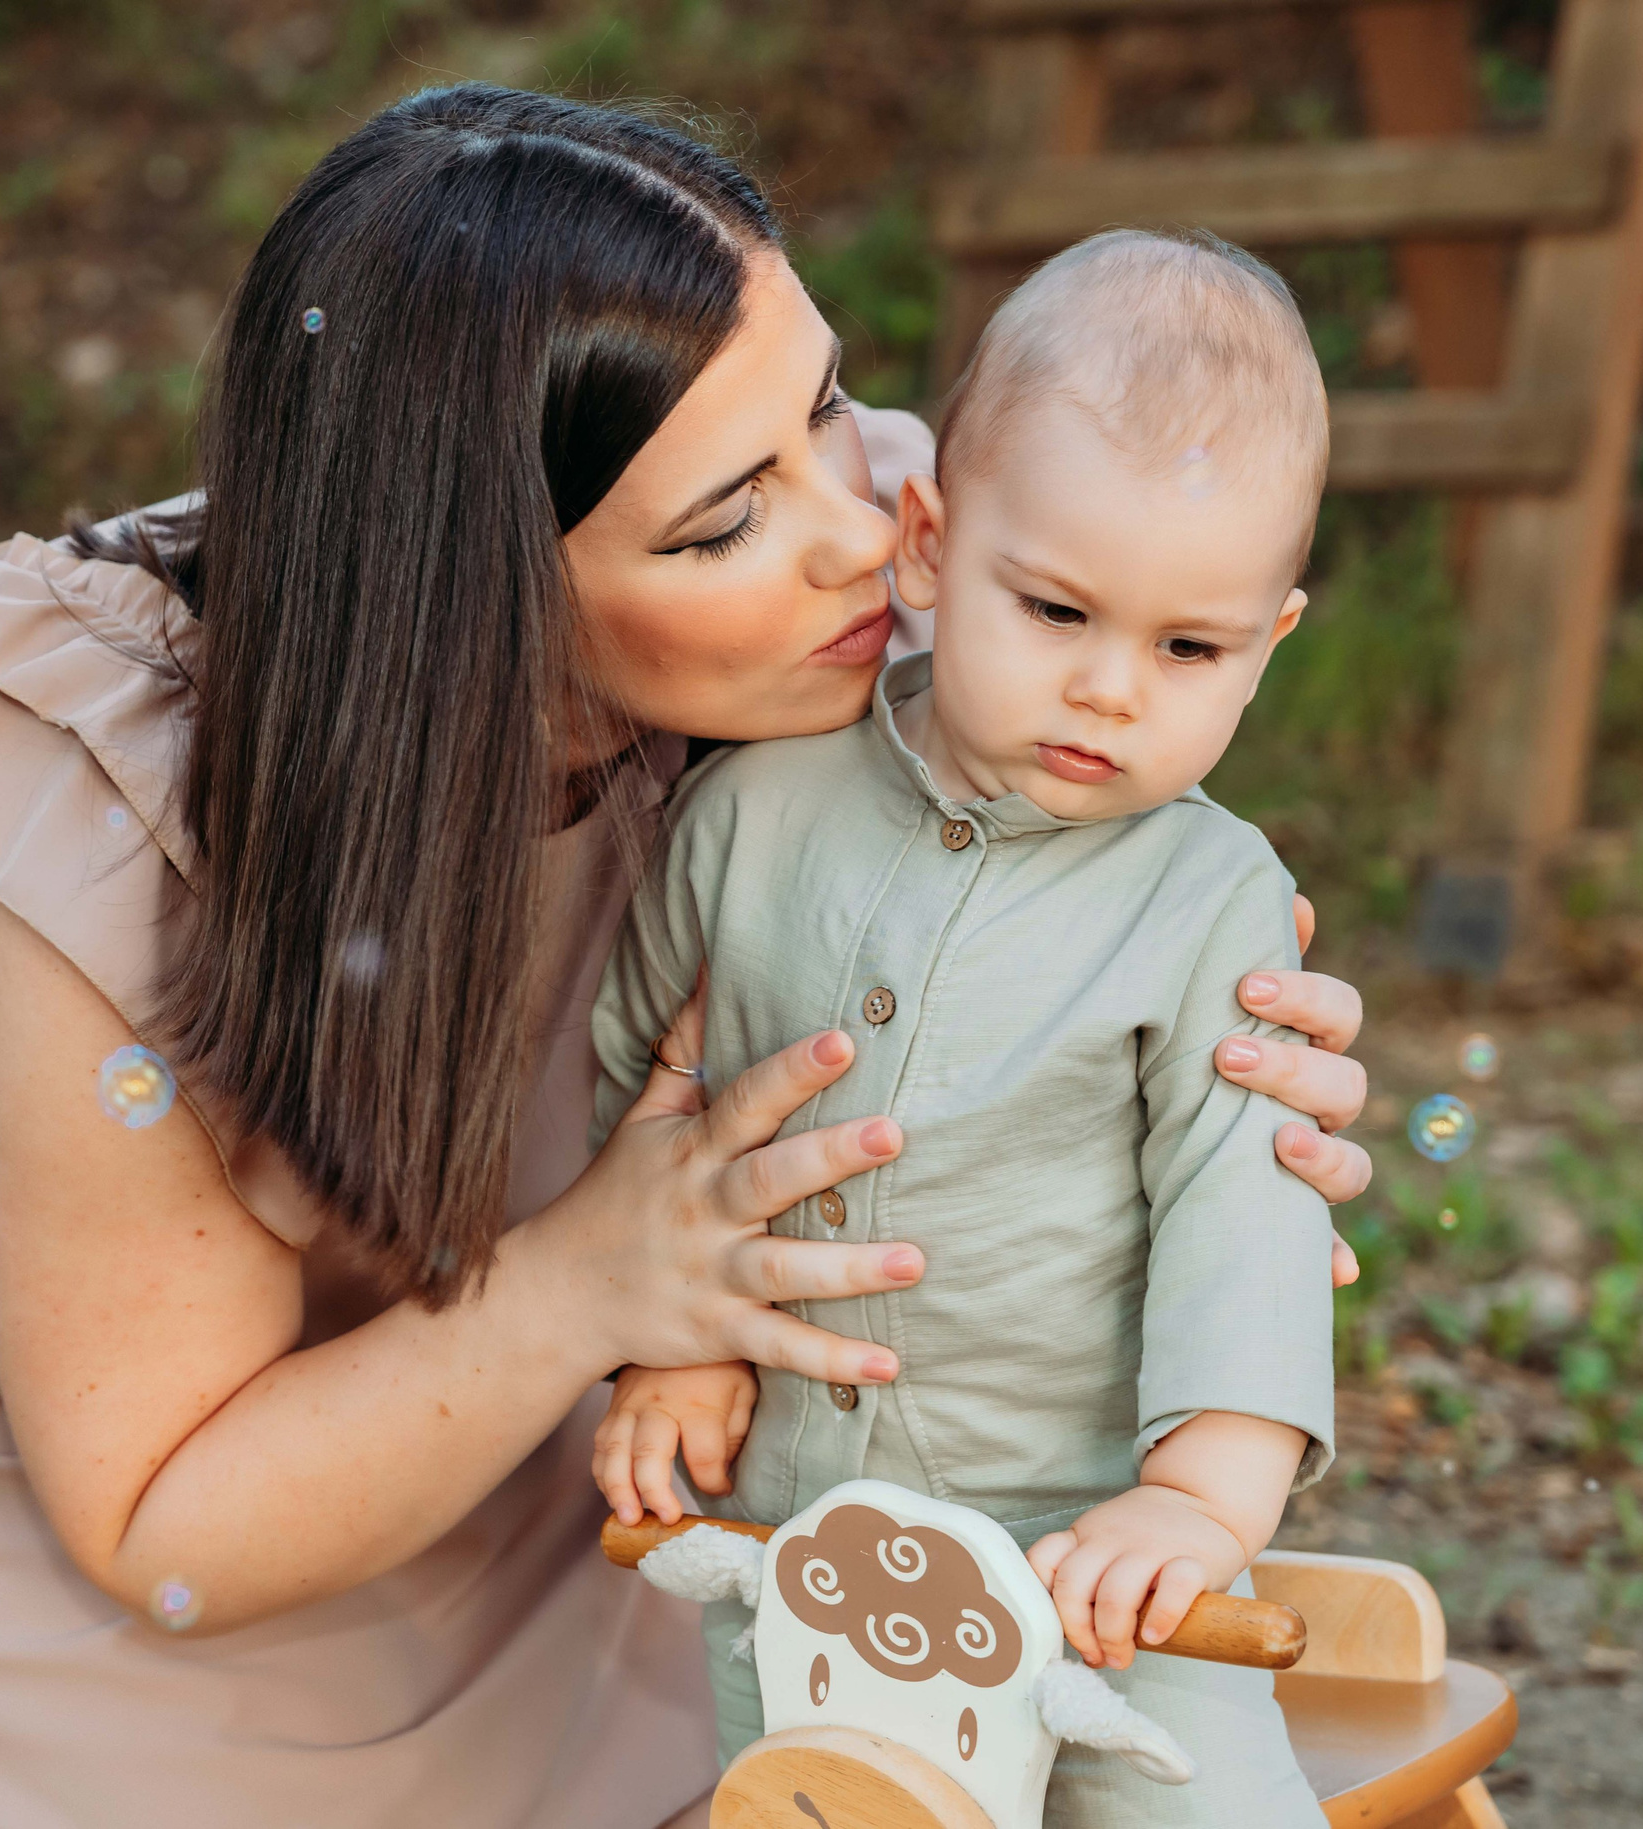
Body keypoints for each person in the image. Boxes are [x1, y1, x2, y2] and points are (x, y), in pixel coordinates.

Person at [0, 88, 1373, 1829]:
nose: (863, 539)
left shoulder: (906, 521)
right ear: (477, 587)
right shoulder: (104, 799)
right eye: (727, 519)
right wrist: (585, 1289)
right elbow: (164, 1509)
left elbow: (1108, 748)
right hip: (74, 1360)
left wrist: (1228, 1063)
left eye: (823, 401)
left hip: (513, 1245)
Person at [590, 230, 1335, 1826]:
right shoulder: (750, 811)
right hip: (810, 1551)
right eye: (1057, 609)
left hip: (1099, 1555)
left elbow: (1246, 1203)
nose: (1111, 691)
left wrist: (1197, 1502)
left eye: (1187, 647)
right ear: (928, 545)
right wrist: (673, 1337)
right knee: (807, 1800)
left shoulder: (1211, 900)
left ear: (1268, 647)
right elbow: (639, 1090)